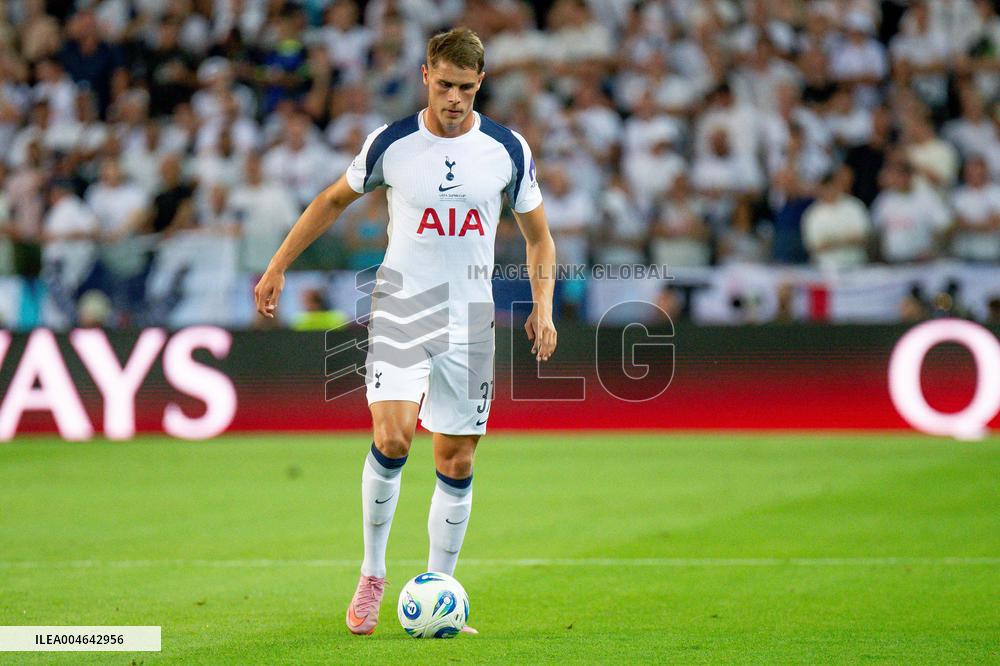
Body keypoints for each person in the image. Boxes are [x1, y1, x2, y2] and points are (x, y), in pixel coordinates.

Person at [253, 28, 557, 636]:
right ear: (425, 76)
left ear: (481, 84)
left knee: (457, 456)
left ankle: (442, 588)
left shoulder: (506, 149)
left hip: (470, 317)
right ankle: (371, 574)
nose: (454, 99)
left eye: (466, 89)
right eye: (444, 85)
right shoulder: (391, 143)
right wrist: (278, 265)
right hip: (403, 305)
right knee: (393, 438)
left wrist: (542, 307)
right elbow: (331, 201)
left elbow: (539, 237)